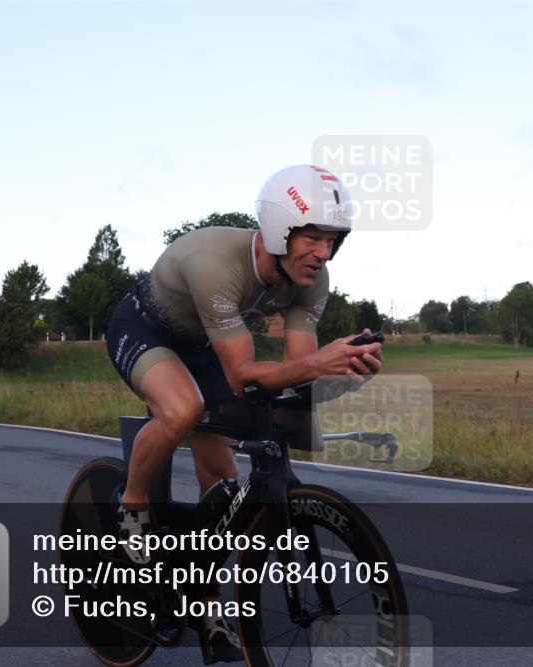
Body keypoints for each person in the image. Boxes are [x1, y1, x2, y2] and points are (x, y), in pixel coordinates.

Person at [105, 164, 383, 662]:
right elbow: (242, 376)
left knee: (223, 477)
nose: (324, 252)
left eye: (333, 239)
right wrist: (319, 362)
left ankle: (204, 600)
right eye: (312, 238)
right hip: (145, 330)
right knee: (182, 409)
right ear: (279, 230)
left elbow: (298, 371)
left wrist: (346, 374)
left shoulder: (311, 281)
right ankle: (131, 507)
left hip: (206, 343)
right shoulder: (217, 263)